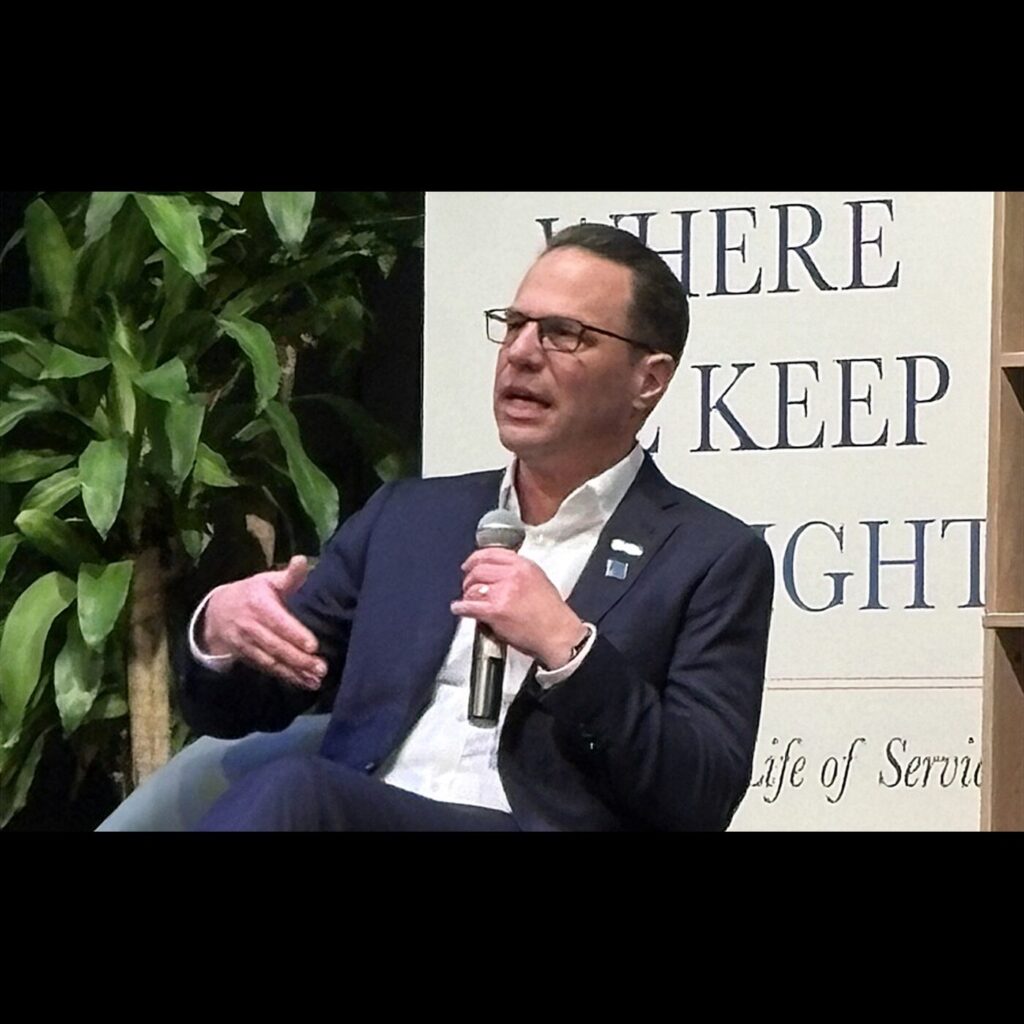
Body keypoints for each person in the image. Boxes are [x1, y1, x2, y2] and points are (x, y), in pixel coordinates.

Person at [178, 223, 775, 831]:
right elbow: (238, 708)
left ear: (647, 380)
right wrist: (222, 631)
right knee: (292, 791)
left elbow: (699, 797)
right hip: (363, 811)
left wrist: (570, 650)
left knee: (296, 789)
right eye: (515, 325)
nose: (521, 353)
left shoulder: (711, 557)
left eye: (563, 334)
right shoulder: (408, 518)